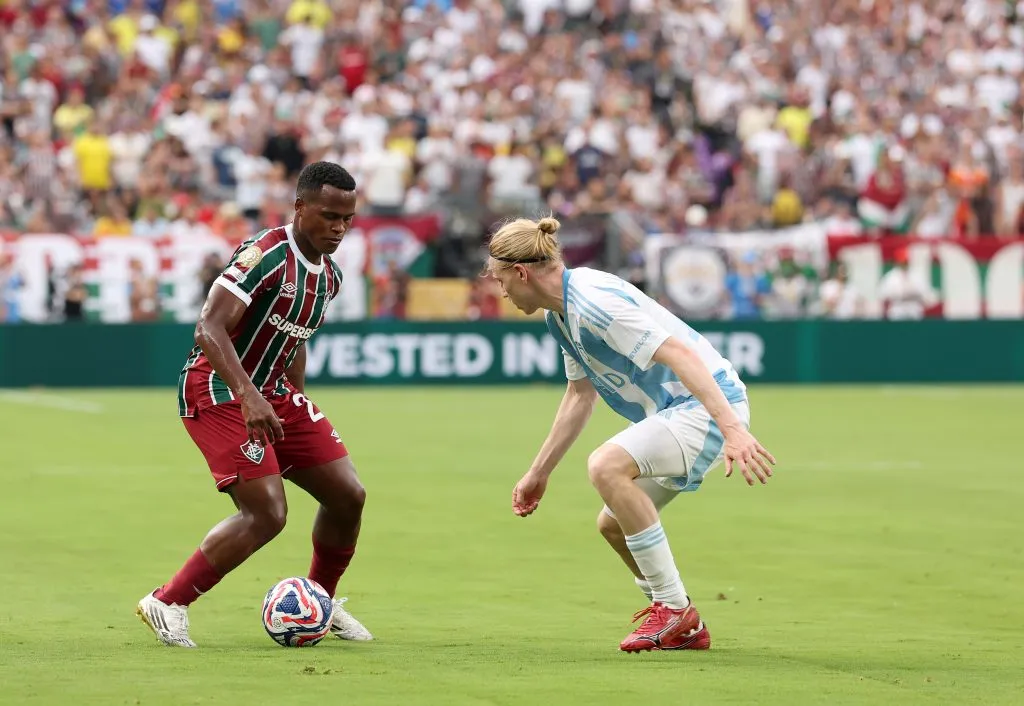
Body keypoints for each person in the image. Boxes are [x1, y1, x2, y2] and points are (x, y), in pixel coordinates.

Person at [486, 217, 775, 653]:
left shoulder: (593, 302)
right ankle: (684, 626)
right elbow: (580, 395)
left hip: (707, 408)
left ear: (521, 272)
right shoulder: (560, 317)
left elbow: (679, 353)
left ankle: (673, 610)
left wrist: (732, 428)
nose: (501, 291)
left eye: (500, 279)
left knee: (606, 465)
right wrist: (538, 472)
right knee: (614, 526)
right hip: (676, 412)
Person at [137, 162, 372, 647]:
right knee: (267, 513)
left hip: (272, 393)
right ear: (300, 207)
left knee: (348, 495)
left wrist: (296, 397)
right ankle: (168, 601)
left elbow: (294, 338)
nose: (339, 228)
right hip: (217, 388)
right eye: (329, 216)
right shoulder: (264, 255)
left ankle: (320, 602)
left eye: (347, 219)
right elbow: (208, 327)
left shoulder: (329, 276)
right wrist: (249, 395)